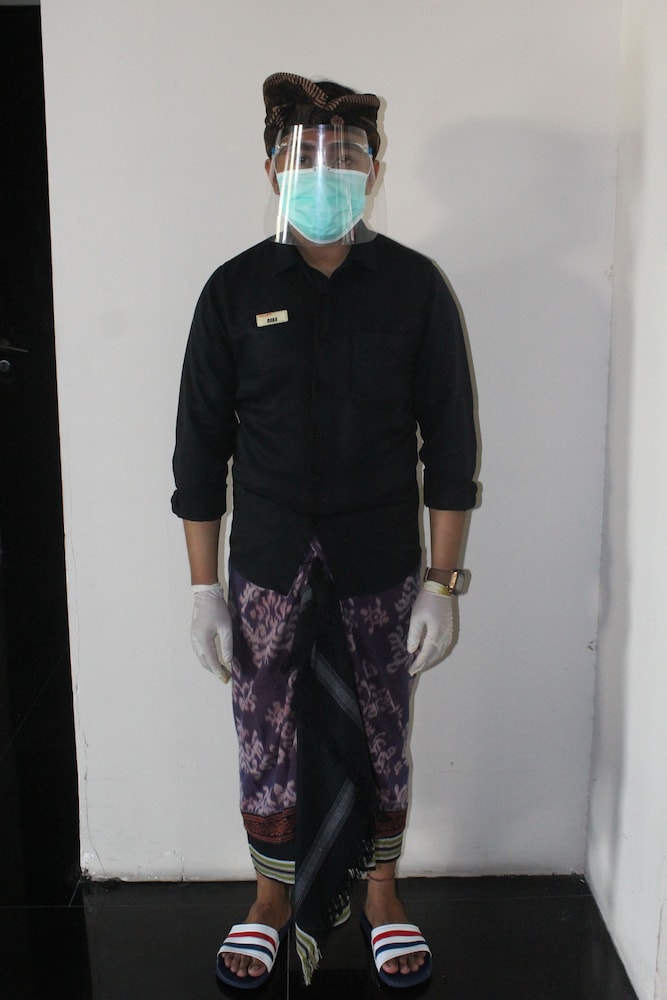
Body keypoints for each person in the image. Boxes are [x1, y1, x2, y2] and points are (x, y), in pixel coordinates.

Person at [172, 71, 477, 990]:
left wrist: (442, 583)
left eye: (346, 157)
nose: (326, 175)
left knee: (381, 727)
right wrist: (202, 590)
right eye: (307, 159)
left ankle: (380, 892)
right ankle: (270, 896)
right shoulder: (232, 291)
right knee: (264, 730)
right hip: (268, 566)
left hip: (378, 564)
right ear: (273, 170)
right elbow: (199, 454)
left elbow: (450, 446)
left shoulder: (413, 287)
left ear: (373, 171)